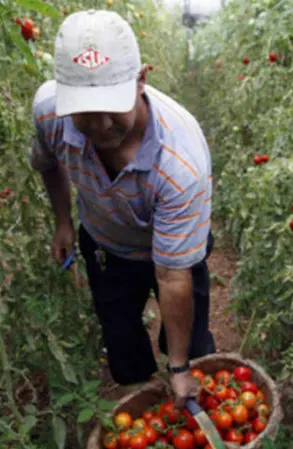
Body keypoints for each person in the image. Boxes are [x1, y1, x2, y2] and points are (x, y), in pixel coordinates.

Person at [29, 9, 215, 408]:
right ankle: (143, 401)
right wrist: (64, 220)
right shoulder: (49, 113)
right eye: (84, 108)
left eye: (111, 105)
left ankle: (183, 372)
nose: (98, 123)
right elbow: (48, 163)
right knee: (124, 345)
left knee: (193, 348)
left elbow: (172, 275)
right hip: (106, 244)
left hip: (172, 254)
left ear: (142, 79)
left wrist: (180, 368)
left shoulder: (181, 163)